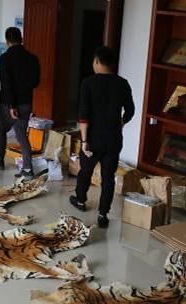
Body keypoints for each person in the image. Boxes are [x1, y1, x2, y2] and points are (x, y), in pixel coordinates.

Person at [69, 46, 134, 228]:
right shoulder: (122, 83)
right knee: (108, 176)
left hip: (93, 138)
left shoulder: (88, 83)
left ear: (97, 61)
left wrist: (84, 141)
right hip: (113, 138)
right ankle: (103, 214)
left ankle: (80, 200)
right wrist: (120, 123)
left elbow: (83, 115)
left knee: (86, 171)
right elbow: (130, 111)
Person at [0, 27, 40, 178]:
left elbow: (6, 83)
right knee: (21, 135)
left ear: (7, 41)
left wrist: (12, 105)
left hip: (7, 103)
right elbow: (35, 82)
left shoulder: (5, 58)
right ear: (21, 39)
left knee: (1, 129)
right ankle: (27, 169)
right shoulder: (33, 58)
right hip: (26, 102)